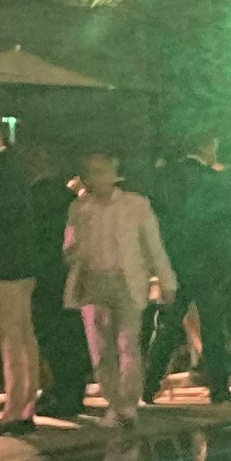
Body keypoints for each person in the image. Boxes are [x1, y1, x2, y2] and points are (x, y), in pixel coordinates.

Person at [62, 147, 176, 429]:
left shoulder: (136, 205)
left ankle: (127, 404)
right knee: (101, 350)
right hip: (92, 282)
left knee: (128, 344)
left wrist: (166, 280)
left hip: (126, 282)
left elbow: (154, 246)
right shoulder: (79, 208)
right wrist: (74, 251)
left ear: (115, 174)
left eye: (102, 171)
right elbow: (69, 248)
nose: (96, 178)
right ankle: (114, 403)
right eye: (91, 173)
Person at [0, 116, 62, 431]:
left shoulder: (0, 170)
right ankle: (24, 405)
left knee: (9, 337)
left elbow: (1, 216)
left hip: (5, 265)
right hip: (19, 264)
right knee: (22, 334)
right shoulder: (9, 167)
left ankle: (16, 410)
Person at [149, 127, 231, 399]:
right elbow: (221, 219)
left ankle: (148, 382)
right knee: (213, 325)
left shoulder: (167, 177)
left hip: (177, 259)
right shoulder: (212, 179)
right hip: (207, 261)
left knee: (169, 325)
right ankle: (219, 388)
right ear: (207, 146)